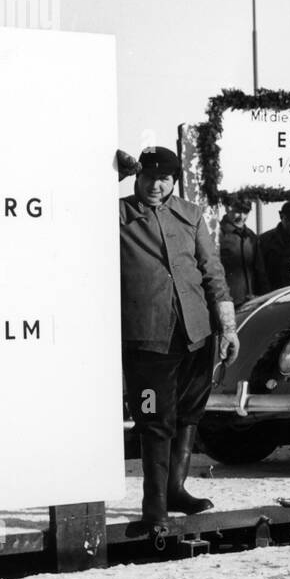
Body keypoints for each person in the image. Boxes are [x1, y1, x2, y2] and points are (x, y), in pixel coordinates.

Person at [120, 146, 239, 532]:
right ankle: (153, 508)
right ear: (137, 177)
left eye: (165, 178)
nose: (156, 185)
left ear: (174, 180)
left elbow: (212, 270)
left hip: (195, 334)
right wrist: (113, 175)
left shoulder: (190, 214)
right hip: (147, 338)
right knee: (154, 420)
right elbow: (74, 208)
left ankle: (176, 490)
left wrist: (227, 326)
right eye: (148, 177)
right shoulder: (117, 215)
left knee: (188, 414)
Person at [218, 197, 267, 306]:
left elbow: (260, 270)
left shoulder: (251, 235)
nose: (242, 217)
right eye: (237, 212)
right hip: (228, 302)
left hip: (251, 301)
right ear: (227, 208)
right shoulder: (217, 235)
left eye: (245, 212)